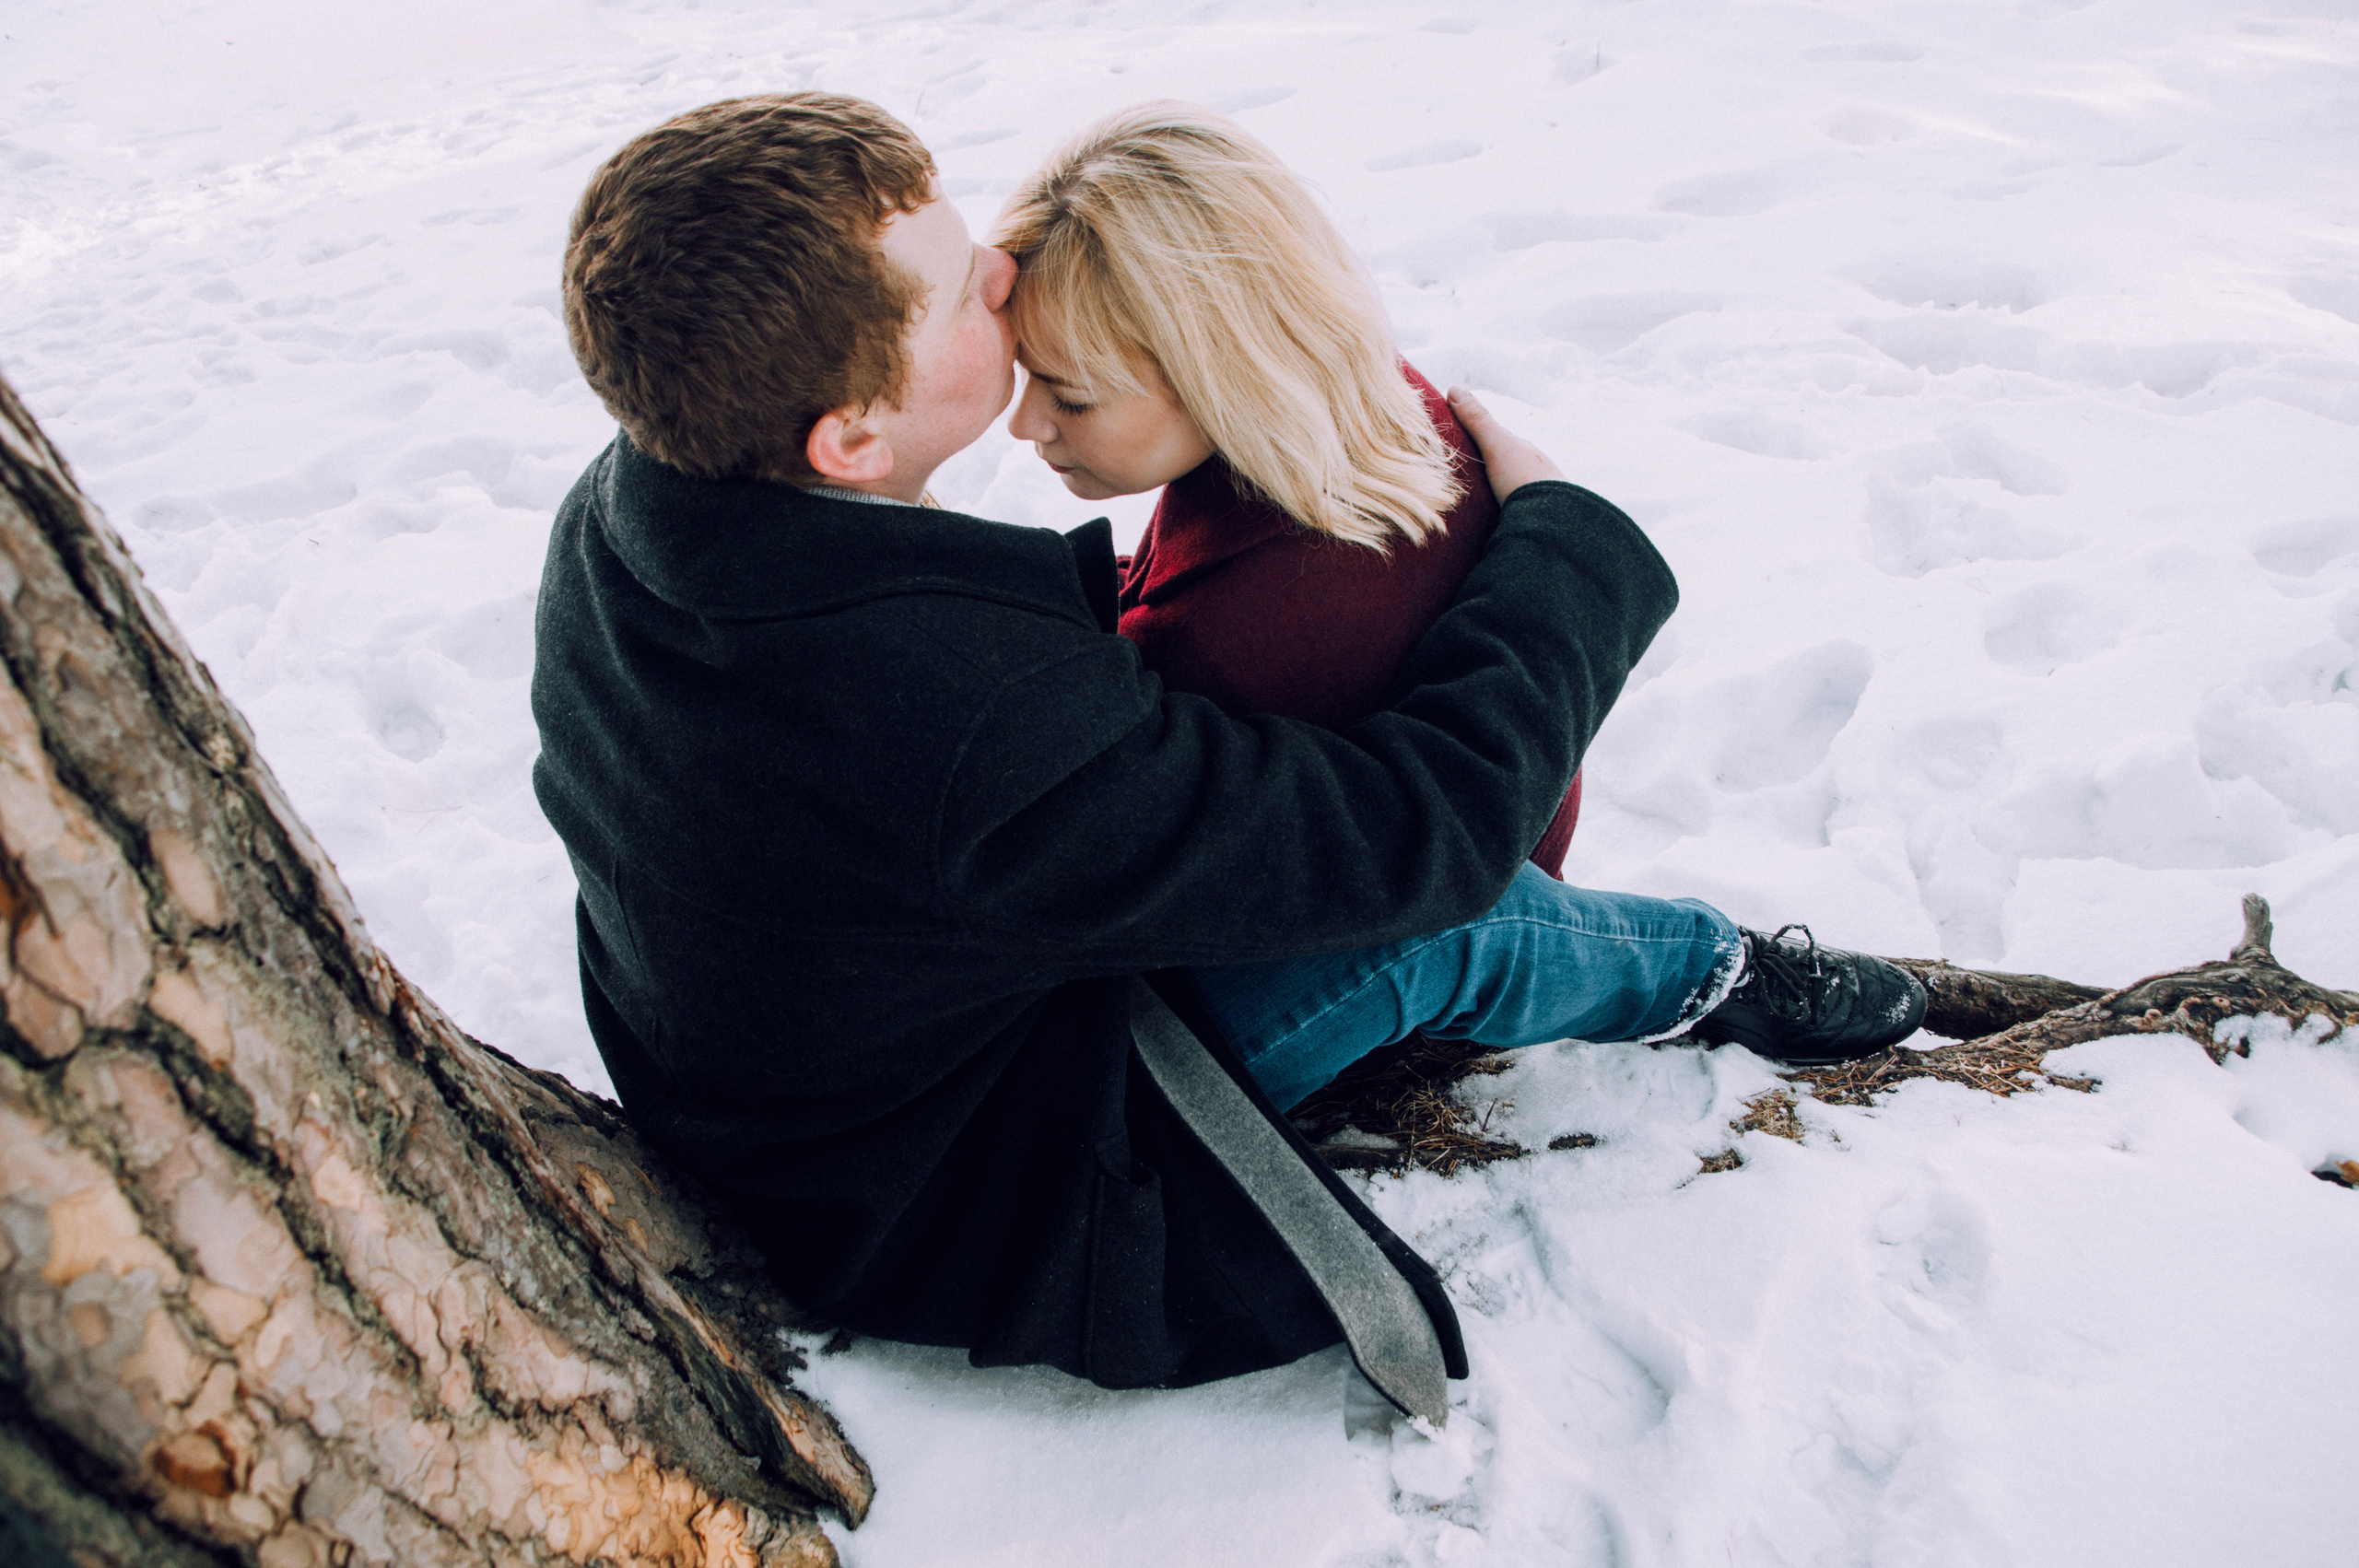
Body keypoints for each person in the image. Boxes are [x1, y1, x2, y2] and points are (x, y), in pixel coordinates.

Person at [533, 91, 1926, 1425]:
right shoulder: (966, 720)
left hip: (773, 1067)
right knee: (1442, 926)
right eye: (962, 290)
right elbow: (1425, 834)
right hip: (945, 1180)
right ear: (850, 438)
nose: (1005, 272)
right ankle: (1720, 971)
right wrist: (1564, 542)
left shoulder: (629, 509)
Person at [994, 103, 1584, 891]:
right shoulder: (1362, 403)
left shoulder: (1248, 635)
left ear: (1220, 368)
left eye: (1069, 397)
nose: (1024, 423)